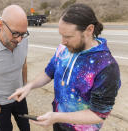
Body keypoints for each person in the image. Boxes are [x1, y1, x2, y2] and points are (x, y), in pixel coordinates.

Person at [8, 3, 121, 131]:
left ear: (89, 30)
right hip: (58, 122)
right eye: (61, 35)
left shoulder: (106, 66)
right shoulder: (64, 49)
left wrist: (56, 117)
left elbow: (98, 114)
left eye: (68, 36)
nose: (62, 41)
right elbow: (49, 72)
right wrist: (29, 86)